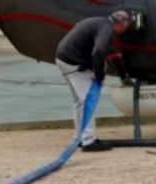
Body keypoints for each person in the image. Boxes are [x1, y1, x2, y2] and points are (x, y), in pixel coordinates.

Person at [55, 10, 132, 152]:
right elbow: (98, 52)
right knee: (87, 101)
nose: (123, 31)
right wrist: (99, 76)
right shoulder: (107, 30)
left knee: (79, 102)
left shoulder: (99, 23)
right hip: (74, 62)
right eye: (125, 28)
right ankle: (88, 141)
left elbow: (111, 53)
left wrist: (123, 76)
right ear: (120, 25)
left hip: (62, 57)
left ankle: (80, 138)